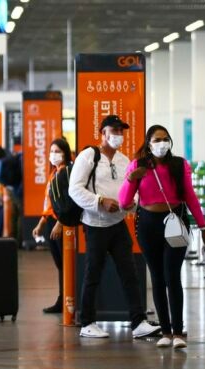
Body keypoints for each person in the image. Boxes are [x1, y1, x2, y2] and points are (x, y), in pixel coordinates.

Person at [119, 124, 205, 349]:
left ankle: (178, 332)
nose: (161, 143)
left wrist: (204, 228)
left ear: (169, 142)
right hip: (148, 225)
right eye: (156, 140)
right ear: (148, 144)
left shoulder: (180, 165)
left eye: (165, 139)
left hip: (176, 222)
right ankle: (166, 331)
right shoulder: (138, 165)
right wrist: (132, 178)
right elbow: (124, 202)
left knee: (172, 276)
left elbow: (190, 196)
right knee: (157, 278)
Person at [68, 115, 160, 339]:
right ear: (103, 132)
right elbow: (75, 189)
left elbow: (133, 189)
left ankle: (138, 322)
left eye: (121, 131)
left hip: (118, 224)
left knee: (129, 272)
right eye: (114, 130)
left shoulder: (123, 160)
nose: (118, 135)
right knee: (93, 273)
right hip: (95, 225)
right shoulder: (89, 156)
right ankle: (87, 322)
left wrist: (131, 204)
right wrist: (100, 201)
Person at [31, 138, 72, 314]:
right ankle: (62, 299)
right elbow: (49, 202)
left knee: (65, 264)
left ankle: (67, 299)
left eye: (57, 151)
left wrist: (60, 223)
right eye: (52, 151)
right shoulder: (54, 173)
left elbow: (70, 202)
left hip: (61, 225)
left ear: (65, 153)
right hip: (51, 223)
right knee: (60, 265)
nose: (53, 155)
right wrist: (41, 222)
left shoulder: (68, 173)